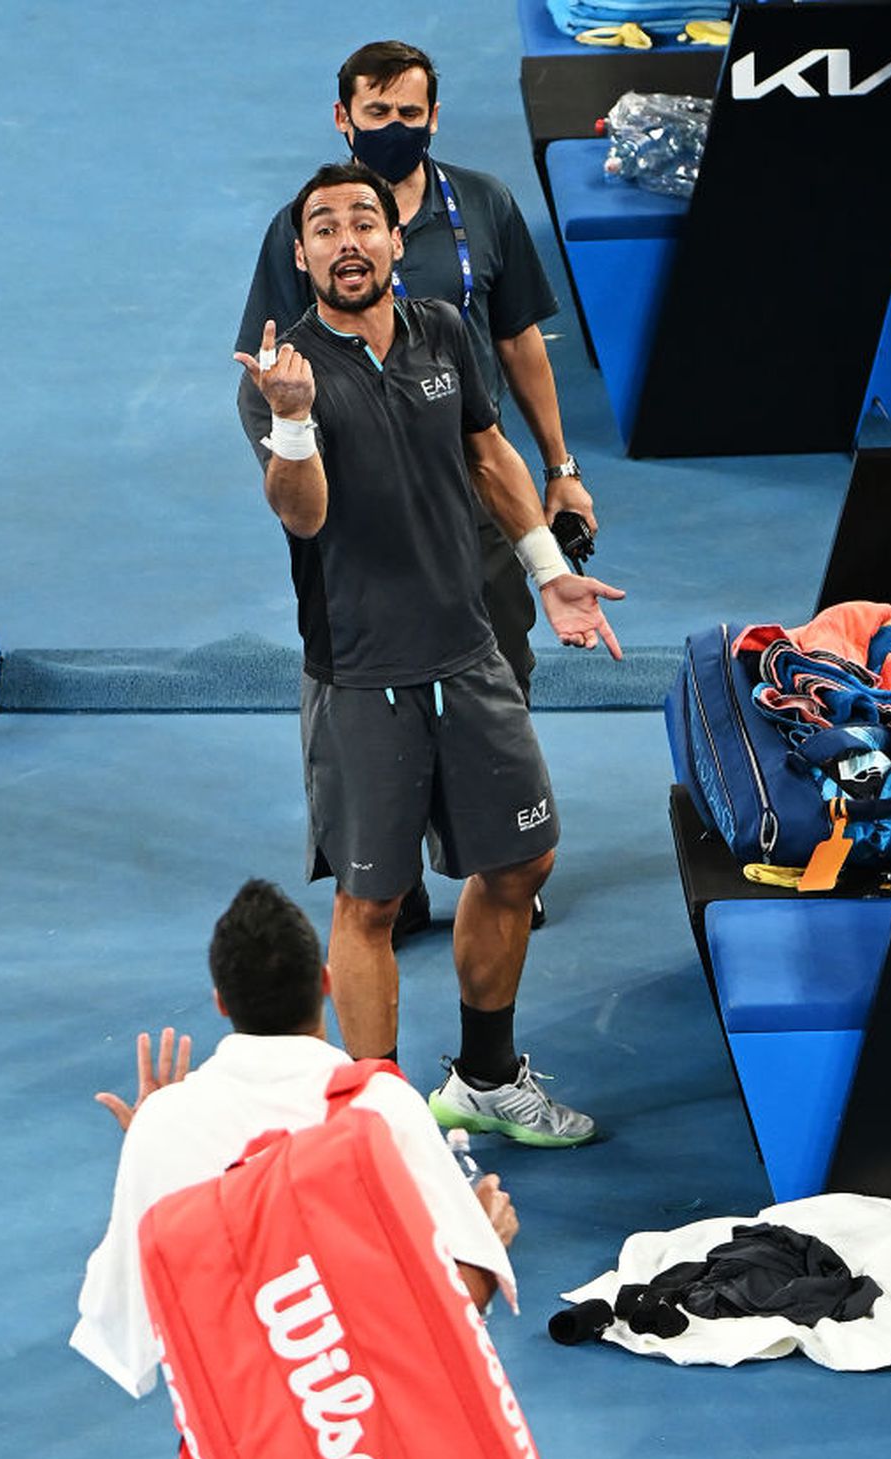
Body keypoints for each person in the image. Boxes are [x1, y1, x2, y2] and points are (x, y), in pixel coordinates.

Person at [71, 877, 520, 1459]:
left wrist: (151, 1153)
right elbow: (455, 1311)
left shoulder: (169, 1124)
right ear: (324, 983)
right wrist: (488, 1242)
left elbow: (132, 1346)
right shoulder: (382, 1106)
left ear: (222, 1002)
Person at [234, 161, 623, 1148]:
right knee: (371, 901)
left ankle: (487, 1077)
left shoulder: (445, 332)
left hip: (469, 652)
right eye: (324, 228)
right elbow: (305, 513)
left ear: (395, 241)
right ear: (301, 255)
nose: (348, 240)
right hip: (362, 675)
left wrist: (545, 566)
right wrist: (289, 416)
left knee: (524, 855)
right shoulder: (281, 375)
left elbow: (489, 455)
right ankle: (379, 1121)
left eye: (365, 221)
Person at [236, 38, 598, 935]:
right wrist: (289, 422)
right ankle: (389, 877)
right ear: (344, 116)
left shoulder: (478, 215)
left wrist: (559, 475)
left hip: (466, 501)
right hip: (354, 519)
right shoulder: (306, 228)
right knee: (370, 751)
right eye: (376, 112)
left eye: (410, 114)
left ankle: (491, 862)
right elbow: (277, 382)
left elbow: (513, 350)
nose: (393, 129)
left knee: (497, 676)